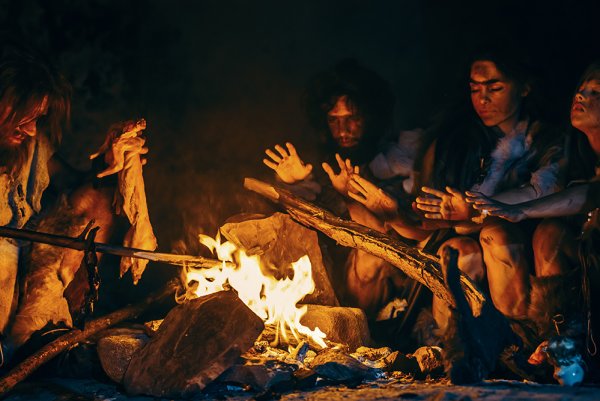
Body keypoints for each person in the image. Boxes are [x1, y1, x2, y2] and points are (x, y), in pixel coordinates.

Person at [0, 46, 149, 364]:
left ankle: (42, 331)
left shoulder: (31, 146)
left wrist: (112, 163)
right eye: (22, 118)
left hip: (23, 257)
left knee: (98, 197)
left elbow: (72, 182)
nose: (30, 129)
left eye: (37, 119)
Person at [262, 59, 424, 348]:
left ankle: (368, 336)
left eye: (353, 118)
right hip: (332, 288)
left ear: (372, 117)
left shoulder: (400, 162)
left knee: (371, 252)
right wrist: (293, 184)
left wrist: (356, 198)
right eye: (334, 120)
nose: (344, 129)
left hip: (393, 289)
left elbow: (400, 234)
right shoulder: (321, 166)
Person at [466, 61, 600, 369]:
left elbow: (587, 195)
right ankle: (533, 343)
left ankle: (567, 344)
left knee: (550, 235)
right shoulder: (576, 151)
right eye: (581, 90)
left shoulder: (544, 139)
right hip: (575, 269)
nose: (581, 97)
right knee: (499, 235)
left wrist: (519, 208)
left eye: (595, 92)